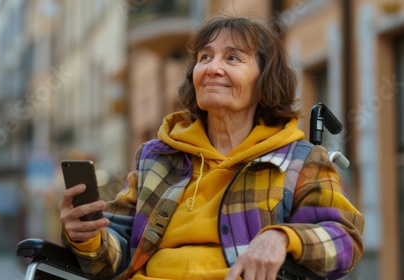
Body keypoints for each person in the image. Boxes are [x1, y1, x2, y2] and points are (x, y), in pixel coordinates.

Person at [59, 15, 364, 280]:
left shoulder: (298, 160)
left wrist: (284, 237)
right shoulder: (157, 157)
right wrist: (86, 237)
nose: (212, 68)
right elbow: (113, 259)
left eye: (232, 58)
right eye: (205, 57)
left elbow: (346, 241)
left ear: (264, 80)